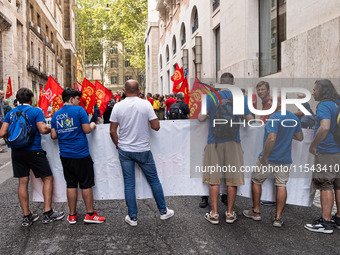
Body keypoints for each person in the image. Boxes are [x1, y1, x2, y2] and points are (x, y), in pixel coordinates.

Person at [110, 80, 174, 226]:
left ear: (124, 91)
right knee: (154, 181)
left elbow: (112, 131)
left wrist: (118, 145)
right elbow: (156, 126)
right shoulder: (145, 104)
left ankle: (132, 217)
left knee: (129, 184)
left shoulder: (118, 106)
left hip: (125, 150)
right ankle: (163, 211)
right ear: (139, 90)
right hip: (143, 149)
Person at [0, 88, 64, 226]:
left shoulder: (10, 113)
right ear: (31, 99)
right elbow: (42, 129)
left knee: (23, 182)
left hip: (17, 152)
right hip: (34, 150)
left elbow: (2, 132)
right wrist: (53, 127)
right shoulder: (36, 111)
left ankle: (26, 215)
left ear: (17, 99)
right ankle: (48, 213)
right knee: (47, 178)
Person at [198, 72, 253, 224]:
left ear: (220, 83)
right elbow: (250, 120)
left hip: (214, 141)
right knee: (232, 180)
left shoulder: (211, 97)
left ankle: (214, 214)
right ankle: (229, 213)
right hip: (233, 142)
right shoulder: (240, 98)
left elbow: (201, 117)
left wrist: (210, 115)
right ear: (233, 83)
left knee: (214, 180)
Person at [243, 95, 303, 227]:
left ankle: (256, 212)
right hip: (285, 158)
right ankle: (278, 218)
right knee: (281, 185)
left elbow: (271, 138)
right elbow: (300, 137)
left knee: (256, 180)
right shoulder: (293, 118)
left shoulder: (275, 117)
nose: (269, 105)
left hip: (270, 158)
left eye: (272, 102)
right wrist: (287, 134)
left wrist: (264, 157)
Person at [51, 88, 105, 224]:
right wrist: (92, 124)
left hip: (65, 155)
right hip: (81, 154)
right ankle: (90, 214)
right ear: (71, 99)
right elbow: (86, 130)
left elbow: (53, 135)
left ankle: (72, 215)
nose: (78, 101)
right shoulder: (79, 110)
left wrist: (64, 131)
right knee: (86, 184)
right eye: (77, 99)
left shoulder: (56, 115)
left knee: (71, 184)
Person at [305, 79, 340, 234]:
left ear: (322, 90)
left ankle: (325, 223)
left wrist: (313, 145)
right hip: (338, 150)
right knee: (338, 185)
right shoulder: (337, 103)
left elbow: (324, 127)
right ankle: (338, 218)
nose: (312, 93)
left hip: (327, 151)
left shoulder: (324, 105)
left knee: (325, 185)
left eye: (314, 90)